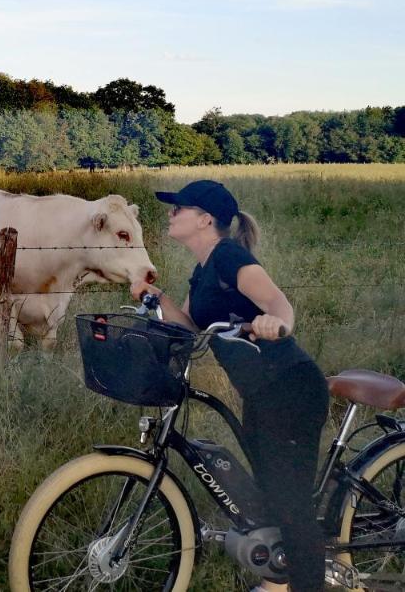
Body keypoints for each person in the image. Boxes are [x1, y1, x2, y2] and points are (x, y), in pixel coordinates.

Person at [131, 179, 329, 592]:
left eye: (178, 208)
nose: (170, 214)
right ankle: (278, 579)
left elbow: (279, 303)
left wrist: (275, 323)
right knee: (270, 492)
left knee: (291, 505)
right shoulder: (202, 270)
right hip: (261, 393)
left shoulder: (228, 256)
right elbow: (187, 329)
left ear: (205, 219)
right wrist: (157, 297)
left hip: (291, 389)